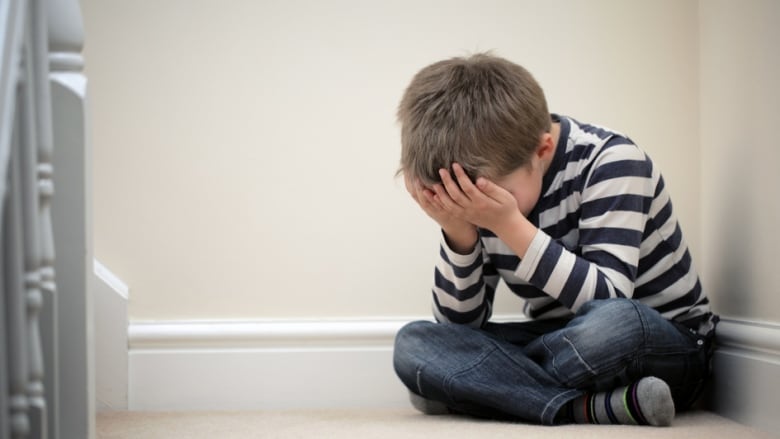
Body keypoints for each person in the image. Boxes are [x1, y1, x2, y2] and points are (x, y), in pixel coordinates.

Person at [392, 53, 717, 427]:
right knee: (415, 345)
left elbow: (610, 298)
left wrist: (508, 223)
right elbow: (460, 327)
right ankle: (589, 407)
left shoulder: (612, 160)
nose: (474, 210)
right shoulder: (479, 199)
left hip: (661, 340)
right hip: (563, 342)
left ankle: (482, 390)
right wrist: (458, 234)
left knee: (615, 327)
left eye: (487, 198)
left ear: (542, 150)